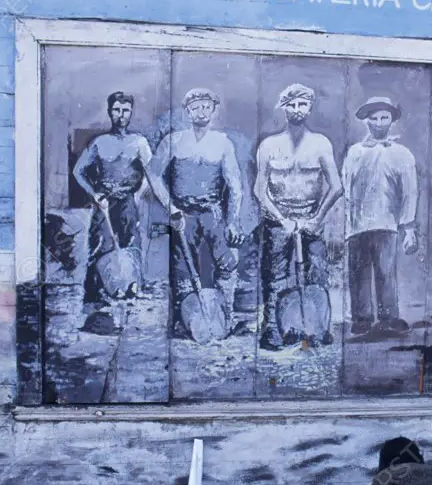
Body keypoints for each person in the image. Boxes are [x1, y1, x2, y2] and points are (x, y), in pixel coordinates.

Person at [146, 88, 245, 338]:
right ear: (187, 111)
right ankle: (183, 319)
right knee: (181, 268)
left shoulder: (222, 142)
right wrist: (172, 208)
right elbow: (154, 174)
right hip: (183, 214)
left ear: (214, 110)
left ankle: (226, 316)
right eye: (196, 107)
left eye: (206, 106)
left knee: (226, 262)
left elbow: (235, 185)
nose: (201, 111)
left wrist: (232, 221)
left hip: (213, 212)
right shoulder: (174, 141)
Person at [253, 83, 342, 350]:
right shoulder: (269, 145)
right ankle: (272, 330)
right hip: (277, 220)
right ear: (284, 109)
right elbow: (259, 189)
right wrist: (281, 218)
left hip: (311, 219)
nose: (296, 109)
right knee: (275, 276)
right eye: (291, 105)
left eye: (302, 104)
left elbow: (336, 186)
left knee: (316, 273)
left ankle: (319, 327)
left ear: (309, 108)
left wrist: (316, 219)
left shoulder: (320, 144)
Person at [342, 96, 418, 336]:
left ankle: (388, 317)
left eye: (383, 117)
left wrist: (409, 228)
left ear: (391, 120)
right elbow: (346, 188)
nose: (378, 122)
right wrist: (345, 224)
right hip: (357, 225)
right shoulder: (354, 152)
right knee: (358, 272)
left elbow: (409, 192)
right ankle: (361, 318)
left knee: (386, 271)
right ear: (366, 121)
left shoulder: (402, 154)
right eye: (373, 118)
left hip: (387, 223)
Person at [73, 91, 153, 304]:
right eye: (116, 110)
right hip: (104, 202)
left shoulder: (139, 142)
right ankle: (94, 294)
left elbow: (152, 173)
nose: (121, 115)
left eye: (125, 110)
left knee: (131, 243)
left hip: (128, 200)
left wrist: (138, 195)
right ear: (110, 112)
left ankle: (132, 286)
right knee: (100, 244)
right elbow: (78, 172)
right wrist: (95, 194)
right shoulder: (99, 142)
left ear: (131, 113)